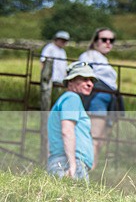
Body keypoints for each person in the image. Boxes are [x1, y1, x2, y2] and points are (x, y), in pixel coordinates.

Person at [46, 61, 96, 181]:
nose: (90, 84)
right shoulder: (72, 98)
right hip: (68, 163)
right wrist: (73, 165)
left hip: (63, 161)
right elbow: (67, 130)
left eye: (91, 80)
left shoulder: (66, 100)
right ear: (71, 81)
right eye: (84, 79)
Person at [79, 28, 123, 162]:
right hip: (98, 98)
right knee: (94, 138)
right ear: (95, 41)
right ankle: (85, 173)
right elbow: (83, 74)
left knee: (100, 140)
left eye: (111, 40)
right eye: (104, 40)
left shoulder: (102, 59)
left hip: (109, 99)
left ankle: (90, 171)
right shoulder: (89, 56)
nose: (108, 43)